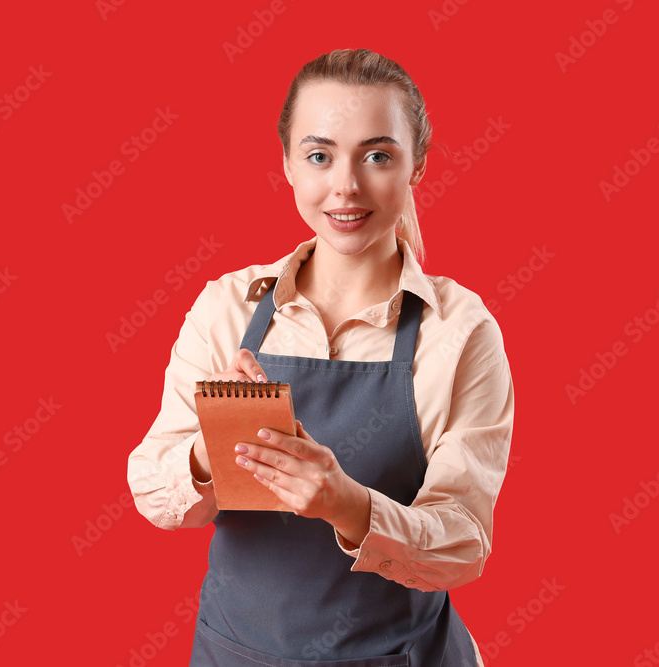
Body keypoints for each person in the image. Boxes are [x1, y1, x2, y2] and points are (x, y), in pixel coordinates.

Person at [127, 48, 514, 666]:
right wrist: (209, 444)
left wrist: (346, 504)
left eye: (378, 156)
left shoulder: (459, 331)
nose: (347, 186)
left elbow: (464, 543)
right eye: (319, 155)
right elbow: (155, 494)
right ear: (287, 164)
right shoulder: (226, 309)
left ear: (417, 166)